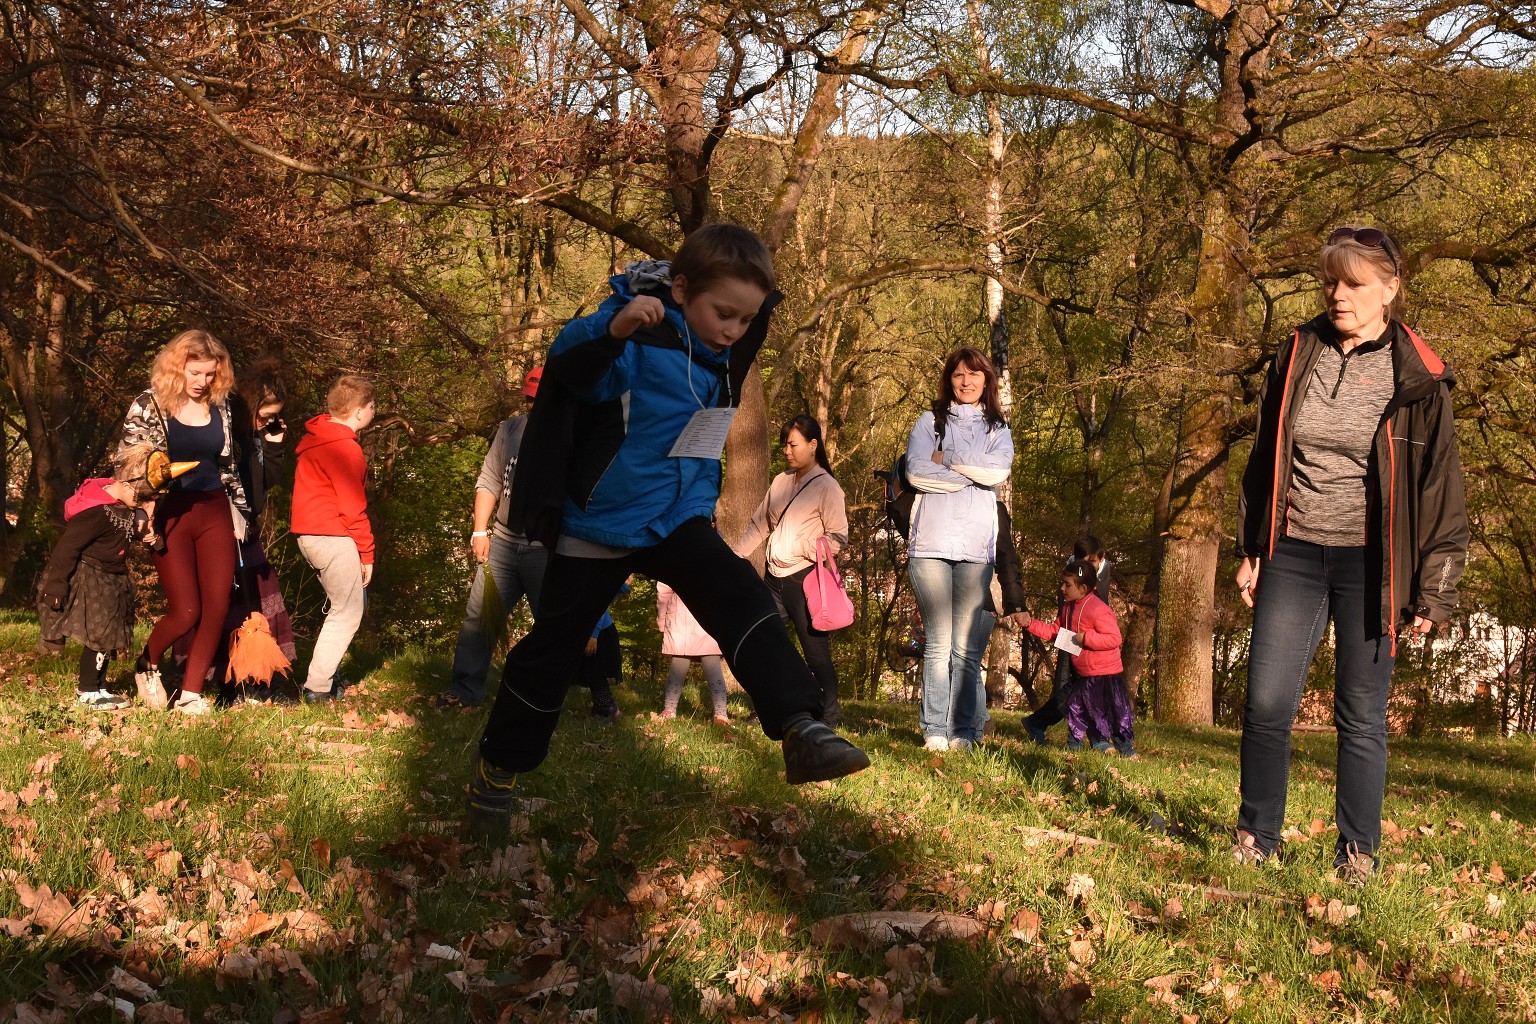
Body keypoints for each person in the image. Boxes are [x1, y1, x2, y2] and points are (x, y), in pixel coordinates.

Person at [466, 224, 870, 836]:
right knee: (554, 648)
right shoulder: (636, 337)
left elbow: (727, 360)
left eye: (746, 318)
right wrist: (614, 328)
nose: (732, 330)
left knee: (742, 596)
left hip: (676, 518)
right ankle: (497, 773)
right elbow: (569, 367)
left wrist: (744, 322)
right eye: (723, 314)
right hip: (601, 522)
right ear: (680, 290)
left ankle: (800, 726)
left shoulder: (718, 352)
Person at [1233, 225, 1467, 885]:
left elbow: (1440, 490)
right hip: (1293, 552)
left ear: (1389, 290)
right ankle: (1256, 838)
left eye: (1354, 284)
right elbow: (1265, 457)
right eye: (1331, 282)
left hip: (1374, 566)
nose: (1338, 295)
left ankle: (1357, 855)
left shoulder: (1420, 376)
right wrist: (1253, 547)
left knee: (1360, 716)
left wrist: (1435, 591)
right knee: (1267, 704)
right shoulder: (1297, 351)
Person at [121, 329, 251, 716]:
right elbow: (128, 465)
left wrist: (241, 513)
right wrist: (140, 512)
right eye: (195, 372)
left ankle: (191, 694)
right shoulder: (149, 404)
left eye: (210, 374)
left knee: (217, 605)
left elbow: (227, 466)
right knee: (187, 611)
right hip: (168, 512)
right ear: (177, 366)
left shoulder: (221, 406)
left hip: (214, 509)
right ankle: (147, 663)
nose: (202, 382)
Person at [904, 346, 1014, 752]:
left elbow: (998, 472)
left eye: (974, 374)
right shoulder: (928, 422)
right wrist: (972, 475)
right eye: (958, 375)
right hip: (929, 544)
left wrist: (947, 457)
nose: (966, 382)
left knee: (966, 649)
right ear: (949, 380)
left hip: (975, 549)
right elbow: (917, 473)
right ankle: (935, 730)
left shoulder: (998, 427)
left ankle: (963, 732)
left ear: (986, 380)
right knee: (937, 644)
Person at [176, 357, 297, 702]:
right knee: (228, 606)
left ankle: (254, 680)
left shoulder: (257, 439)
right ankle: (226, 682)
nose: (267, 421)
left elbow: (265, 484)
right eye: (265, 415)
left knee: (256, 605)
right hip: (225, 528)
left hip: (247, 531)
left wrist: (273, 445)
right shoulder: (230, 438)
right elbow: (228, 485)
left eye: (274, 416)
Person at [435, 366, 548, 709]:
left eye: (538, 399)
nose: (532, 405)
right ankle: (465, 692)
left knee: (552, 627)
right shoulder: (509, 430)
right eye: (528, 399)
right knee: (480, 618)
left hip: (546, 549)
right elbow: (489, 480)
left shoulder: (570, 435)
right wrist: (479, 530)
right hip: (502, 543)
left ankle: (544, 699)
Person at [733, 415, 849, 725]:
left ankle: (828, 717)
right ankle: (768, 710)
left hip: (805, 580)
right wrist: (735, 555)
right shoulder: (781, 481)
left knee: (816, 656)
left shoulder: (827, 487)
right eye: (784, 444)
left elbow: (838, 538)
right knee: (765, 644)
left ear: (813, 445)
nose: (786, 450)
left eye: (793, 444)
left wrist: (802, 548)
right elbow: (760, 524)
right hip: (773, 579)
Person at [36, 444, 159, 710]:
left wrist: (146, 533)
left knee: (108, 634)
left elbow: (124, 531)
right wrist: (56, 584)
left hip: (113, 578)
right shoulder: (96, 512)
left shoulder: (124, 506)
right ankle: (87, 690)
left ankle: (100, 686)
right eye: (141, 497)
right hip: (91, 579)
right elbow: (67, 547)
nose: (144, 503)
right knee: (99, 634)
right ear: (125, 484)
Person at [291, 375, 377, 703]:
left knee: (348, 605)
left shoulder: (317, 439)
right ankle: (318, 688)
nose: (373, 412)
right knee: (348, 611)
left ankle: (326, 676)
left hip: (309, 536)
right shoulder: (345, 450)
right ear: (358, 412)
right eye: (372, 406)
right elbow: (353, 509)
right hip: (332, 536)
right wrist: (367, 554)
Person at [1024, 561, 1132, 755]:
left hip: (1105, 675)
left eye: (1067, 585)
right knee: (1078, 710)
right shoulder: (1068, 608)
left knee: (1115, 714)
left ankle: (1126, 751)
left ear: (1083, 588)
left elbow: (1114, 638)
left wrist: (1087, 638)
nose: (1062, 588)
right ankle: (1074, 747)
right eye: (1062, 583)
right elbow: (1054, 632)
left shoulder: (1099, 609)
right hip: (1085, 674)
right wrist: (1029, 623)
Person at [1022, 534, 1112, 744]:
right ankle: (1089, 739)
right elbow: (1066, 615)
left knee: (1083, 688)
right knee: (1076, 689)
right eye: (1083, 561)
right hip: (1072, 638)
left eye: (1092, 561)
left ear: (1102, 558)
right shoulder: (1071, 576)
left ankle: (1041, 723)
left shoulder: (1104, 570)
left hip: (1092, 638)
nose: (1088, 566)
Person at [656, 581, 730, 724]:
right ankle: (721, 714)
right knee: (708, 668)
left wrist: (662, 620)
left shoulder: (674, 566)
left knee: (680, 668)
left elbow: (663, 591)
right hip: (704, 619)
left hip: (685, 619)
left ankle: (669, 710)